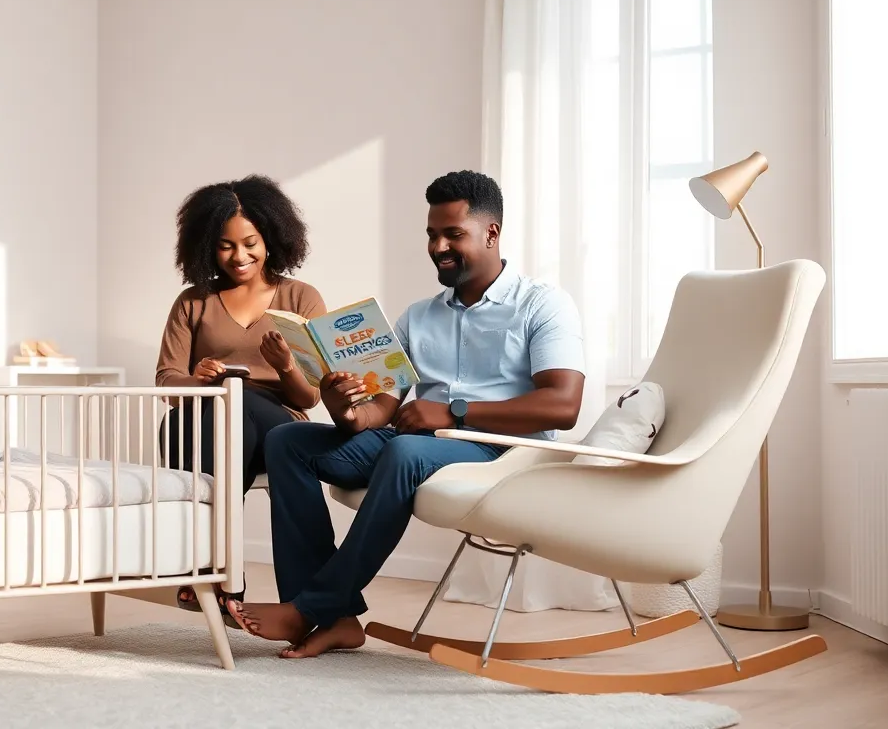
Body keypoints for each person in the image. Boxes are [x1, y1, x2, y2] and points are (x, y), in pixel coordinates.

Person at [224, 170, 586, 658]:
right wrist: (344, 408)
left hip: (501, 451)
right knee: (289, 442)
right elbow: (381, 411)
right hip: (417, 440)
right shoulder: (417, 317)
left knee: (405, 451)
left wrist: (453, 413)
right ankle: (339, 621)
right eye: (433, 234)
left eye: (453, 234)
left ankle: (310, 608)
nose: (438, 246)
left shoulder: (542, 304)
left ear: (491, 233)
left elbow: (563, 407)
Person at [155, 173, 327, 617]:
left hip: (278, 430)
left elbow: (310, 397)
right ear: (207, 246)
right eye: (225, 245)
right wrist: (198, 379)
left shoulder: (300, 297)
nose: (239, 256)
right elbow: (166, 382)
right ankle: (224, 570)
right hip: (206, 420)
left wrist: (286, 365)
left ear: (271, 237)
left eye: (250, 243)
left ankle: (216, 567)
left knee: (241, 403)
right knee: (204, 414)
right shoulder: (193, 301)